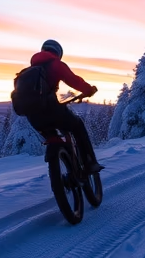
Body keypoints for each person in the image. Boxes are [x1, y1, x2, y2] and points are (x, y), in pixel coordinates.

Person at [25, 39, 104, 173]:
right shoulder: (56, 64)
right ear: (58, 53)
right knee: (77, 125)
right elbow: (73, 80)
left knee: (52, 136)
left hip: (33, 117)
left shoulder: (28, 71)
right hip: (51, 110)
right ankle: (89, 162)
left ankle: (63, 159)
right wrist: (88, 89)